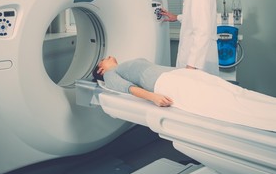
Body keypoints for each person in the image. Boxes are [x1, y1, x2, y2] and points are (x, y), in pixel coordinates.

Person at [93, 56, 276, 132]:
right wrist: (154, 97)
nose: (109, 56)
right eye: (104, 59)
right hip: (168, 83)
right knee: (222, 100)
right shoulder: (110, 75)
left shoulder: (122, 65)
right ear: (101, 69)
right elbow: (127, 88)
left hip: (178, 75)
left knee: (232, 91)